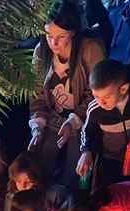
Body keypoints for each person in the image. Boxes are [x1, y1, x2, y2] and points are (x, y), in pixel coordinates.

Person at [28, 0, 105, 190]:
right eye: (48, 36)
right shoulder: (41, 51)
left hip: (83, 121)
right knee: (39, 167)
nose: (53, 43)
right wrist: (37, 125)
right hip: (53, 117)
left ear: (73, 31)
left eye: (61, 36)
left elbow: (96, 94)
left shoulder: (91, 50)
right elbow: (37, 94)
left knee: (75, 174)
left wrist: (73, 121)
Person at [77, 59, 130, 189]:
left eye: (107, 97)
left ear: (123, 89)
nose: (101, 103)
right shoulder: (95, 109)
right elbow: (87, 131)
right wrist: (85, 152)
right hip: (110, 161)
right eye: (96, 97)